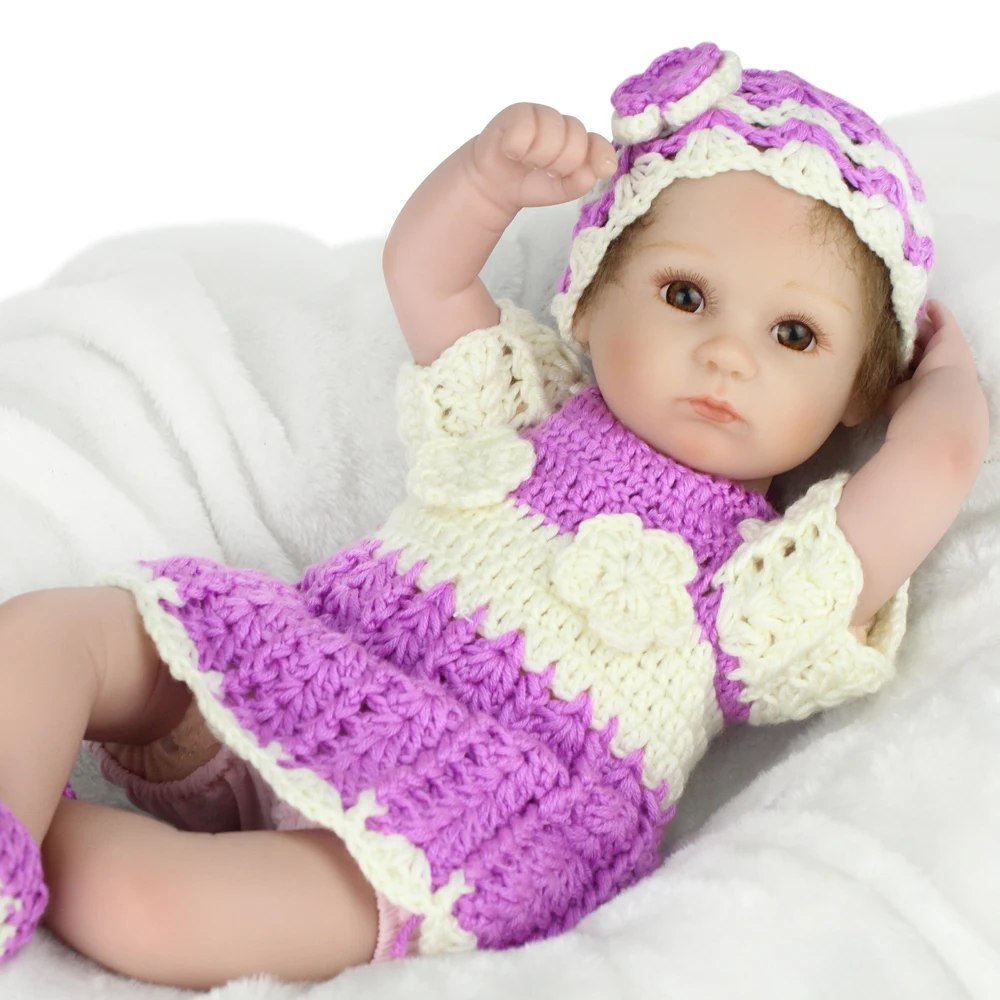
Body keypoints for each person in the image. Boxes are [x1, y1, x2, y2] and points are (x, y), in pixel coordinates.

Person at [0, 42, 989, 990]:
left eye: (795, 334)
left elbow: (932, 466)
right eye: (686, 294)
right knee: (55, 629)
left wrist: (946, 385)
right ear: (589, 299)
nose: (729, 354)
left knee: (153, 908)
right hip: (306, 666)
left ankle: (55, 847)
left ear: (859, 394)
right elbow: (426, 273)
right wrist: (485, 181)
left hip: (467, 818)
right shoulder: (521, 407)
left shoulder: (757, 583)